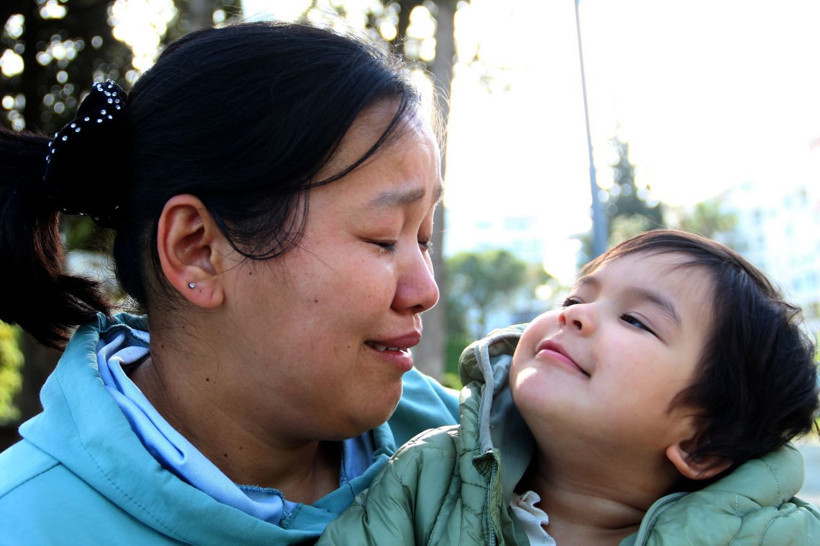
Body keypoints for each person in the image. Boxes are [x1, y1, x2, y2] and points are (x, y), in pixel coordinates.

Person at [0, 21, 460, 544]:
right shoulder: (27, 524)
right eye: (382, 238)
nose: (425, 290)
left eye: (421, 237)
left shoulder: (480, 451)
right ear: (196, 251)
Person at [318, 229, 820, 545]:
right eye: (576, 296)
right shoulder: (428, 477)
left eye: (636, 320)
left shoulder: (775, 537)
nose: (575, 315)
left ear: (701, 445)